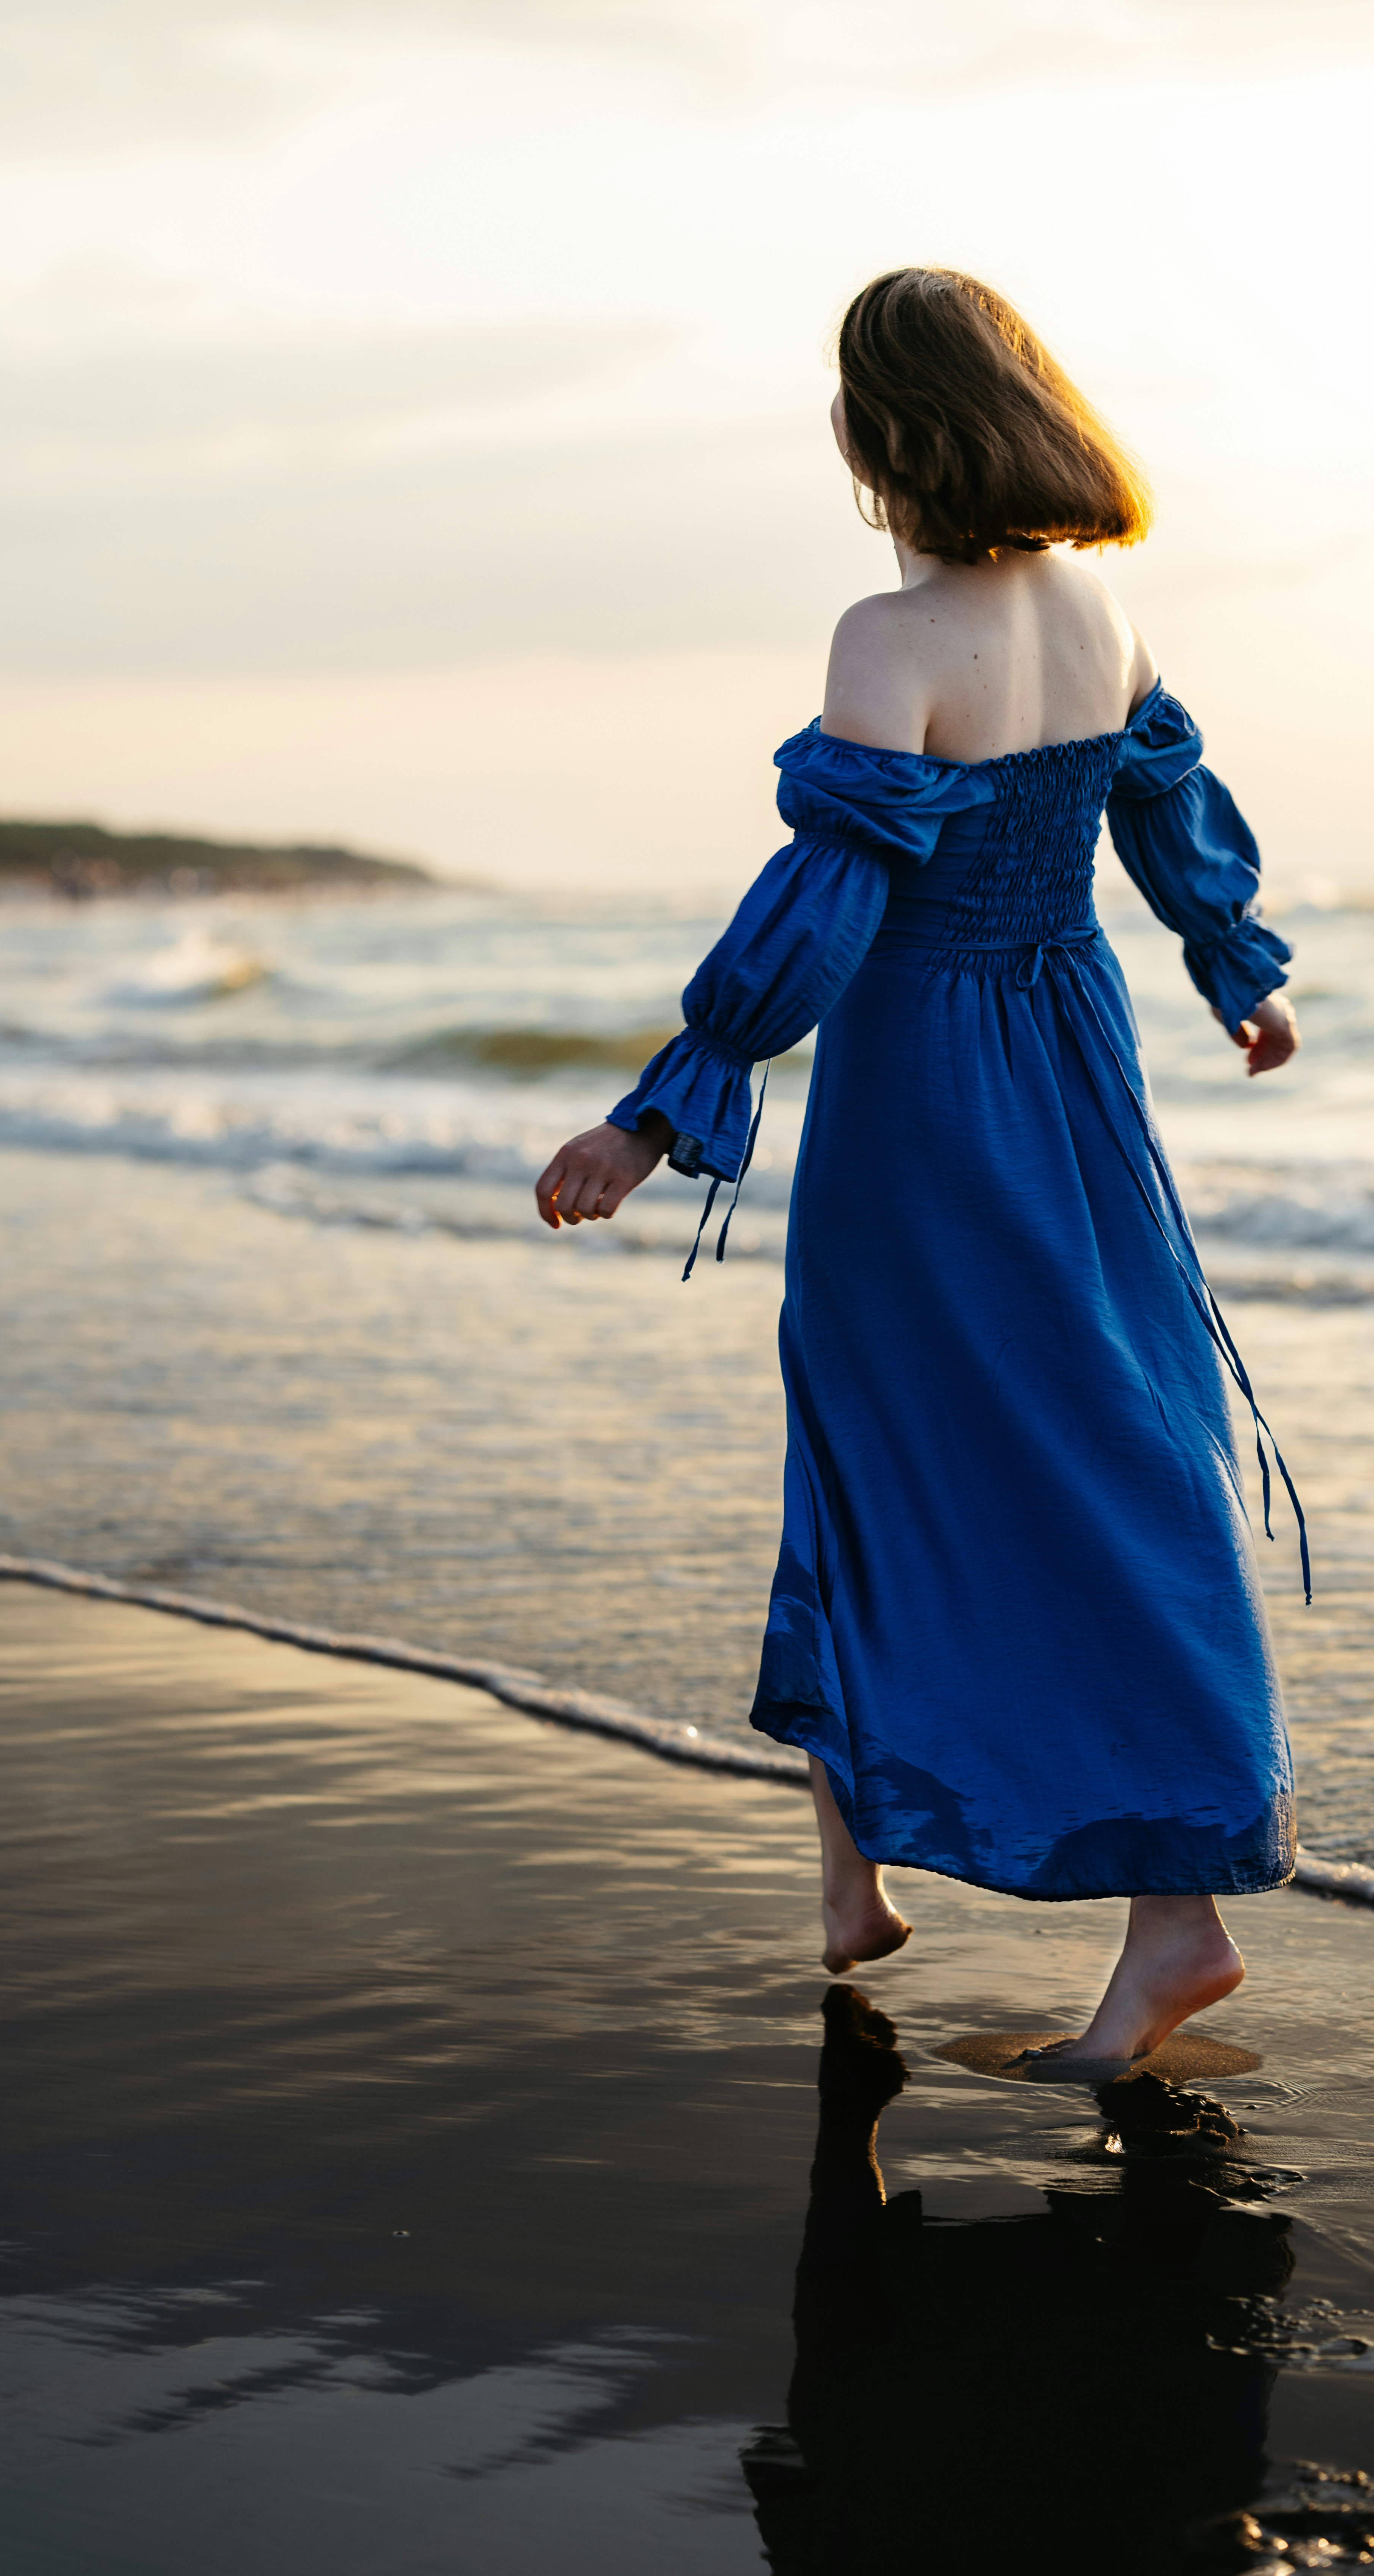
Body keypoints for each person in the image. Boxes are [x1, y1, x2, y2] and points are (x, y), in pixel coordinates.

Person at [537, 267, 1304, 2078]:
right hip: (1073, 1049)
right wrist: (1234, 967)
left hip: (925, 1084)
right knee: (1092, 1424)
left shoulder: (887, 644)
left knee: (909, 1443)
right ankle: (847, 1876)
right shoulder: (1100, 615)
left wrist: (657, 1113)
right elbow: (1164, 808)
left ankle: (1176, 1922)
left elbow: (825, 901)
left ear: (884, 431)